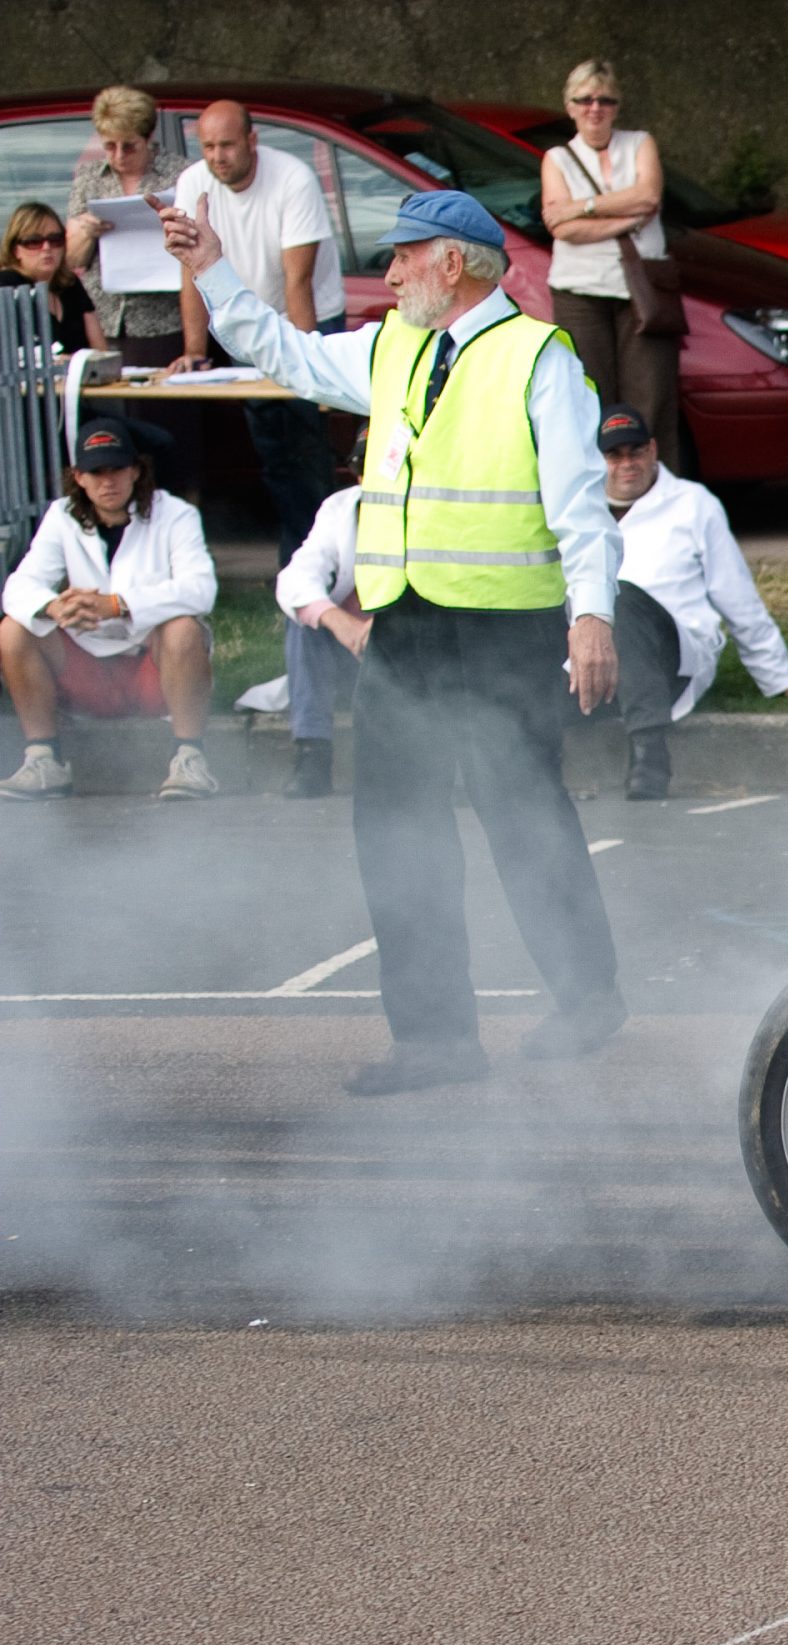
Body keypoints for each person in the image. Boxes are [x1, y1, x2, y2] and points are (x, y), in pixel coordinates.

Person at [158, 186, 628, 1096]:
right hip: (405, 624)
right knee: (395, 828)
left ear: (453, 264)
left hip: (503, 627)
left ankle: (587, 996)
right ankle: (435, 1039)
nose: (390, 270)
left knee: (524, 816)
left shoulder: (538, 357)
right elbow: (282, 352)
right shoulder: (393, 345)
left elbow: (581, 504)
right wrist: (209, 267)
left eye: (404, 255)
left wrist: (593, 615)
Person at [597, 405, 788, 799]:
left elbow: (736, 595)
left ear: (654, 449)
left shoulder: (693, 504)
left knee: (621, 598)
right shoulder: (579, 510)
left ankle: (649, 754)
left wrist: (777, 676)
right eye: (614, 455)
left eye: (636, 452)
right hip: (595, 662)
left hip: (672, 655)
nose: (628, 464)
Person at [0, 419, 218, 802]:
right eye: (95, 472)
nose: (108, 482)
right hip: (87, 675)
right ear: (78, 477)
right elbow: (19, 586)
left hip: (154, 673)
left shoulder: (176, 514)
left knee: (184, 628)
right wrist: (54, 607)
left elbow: (201, 589)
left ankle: (189, 756)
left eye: (117, 469)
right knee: (12, 629)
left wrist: (118, 605)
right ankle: (44, 759)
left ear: (135, 470)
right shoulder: (61, 515)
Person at [170, 102, 345, 564]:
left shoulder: (293, 178)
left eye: (227, 145)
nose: (217, 156)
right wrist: (194, 349)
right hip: (247, 323)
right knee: (276, 459)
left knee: (308, 455)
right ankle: (296, 565)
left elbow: (298, 280)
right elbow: (190, 271)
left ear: (252, 141)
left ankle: (322, 565)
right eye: (208, 146)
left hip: (306, 318)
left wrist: (307, 364)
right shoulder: (193, 182)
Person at [539, 59, 681, 470]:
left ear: (617, 106)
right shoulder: (557, 158)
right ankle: (600, 501)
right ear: (569, 106)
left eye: (604, 100)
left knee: (651, 400)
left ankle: (656, 497)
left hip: (643, 290)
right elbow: (562, 229)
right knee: (589, 400)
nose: (594, 108)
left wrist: (581, 207)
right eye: (584, 100)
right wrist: (627, 215)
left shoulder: (640, 143)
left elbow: (649, 197)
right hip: (579, 292)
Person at [272, 431, 369, 797]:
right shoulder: (339, 509)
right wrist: (337, 620)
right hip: (353, 651)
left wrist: (391, 623)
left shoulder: (433, 507)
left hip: (411, 645)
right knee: (305, 621)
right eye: (365, 469)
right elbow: (296, 577)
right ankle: (313, 755)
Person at [65, 86, 184, 370]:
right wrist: (85, 233)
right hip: (102, 317)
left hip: (163, 318)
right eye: (109, 146)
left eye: (129, 146)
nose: (118, 155)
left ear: (148, 138)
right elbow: (70, 260)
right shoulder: (89, 178)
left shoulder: (179, 174)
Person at [2, 203, 108, 351]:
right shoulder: (7, 284)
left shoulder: (69, 283)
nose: (47, 248)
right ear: (16, 250)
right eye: (34, 242)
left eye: (55, 240)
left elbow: (101, 351)